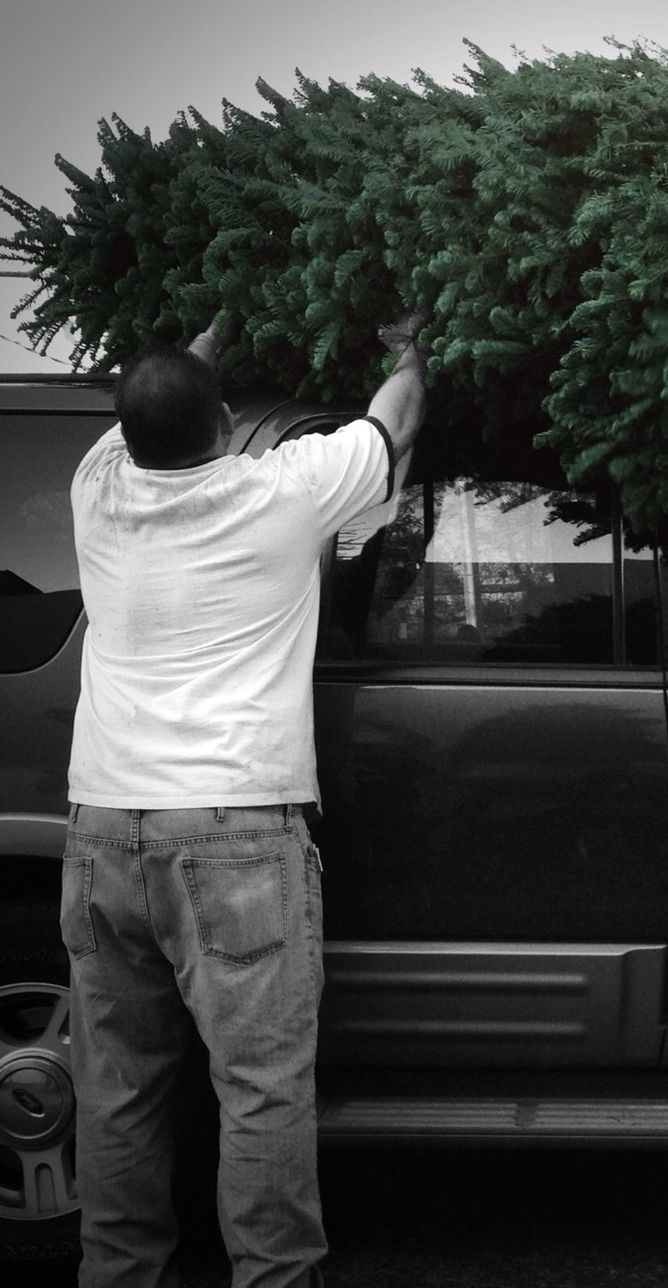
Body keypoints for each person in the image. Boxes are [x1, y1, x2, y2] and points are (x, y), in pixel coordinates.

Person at [61, 310, 428, 1288]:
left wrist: (208, 335)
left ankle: (116, 1274)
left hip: (102, 832)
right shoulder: (282, 493)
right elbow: (392, 422)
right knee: (259, 1089)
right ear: (225, 422)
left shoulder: (93, 488)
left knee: (117, 1092)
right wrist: (407, 350)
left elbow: (149, 403)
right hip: (233, 838)